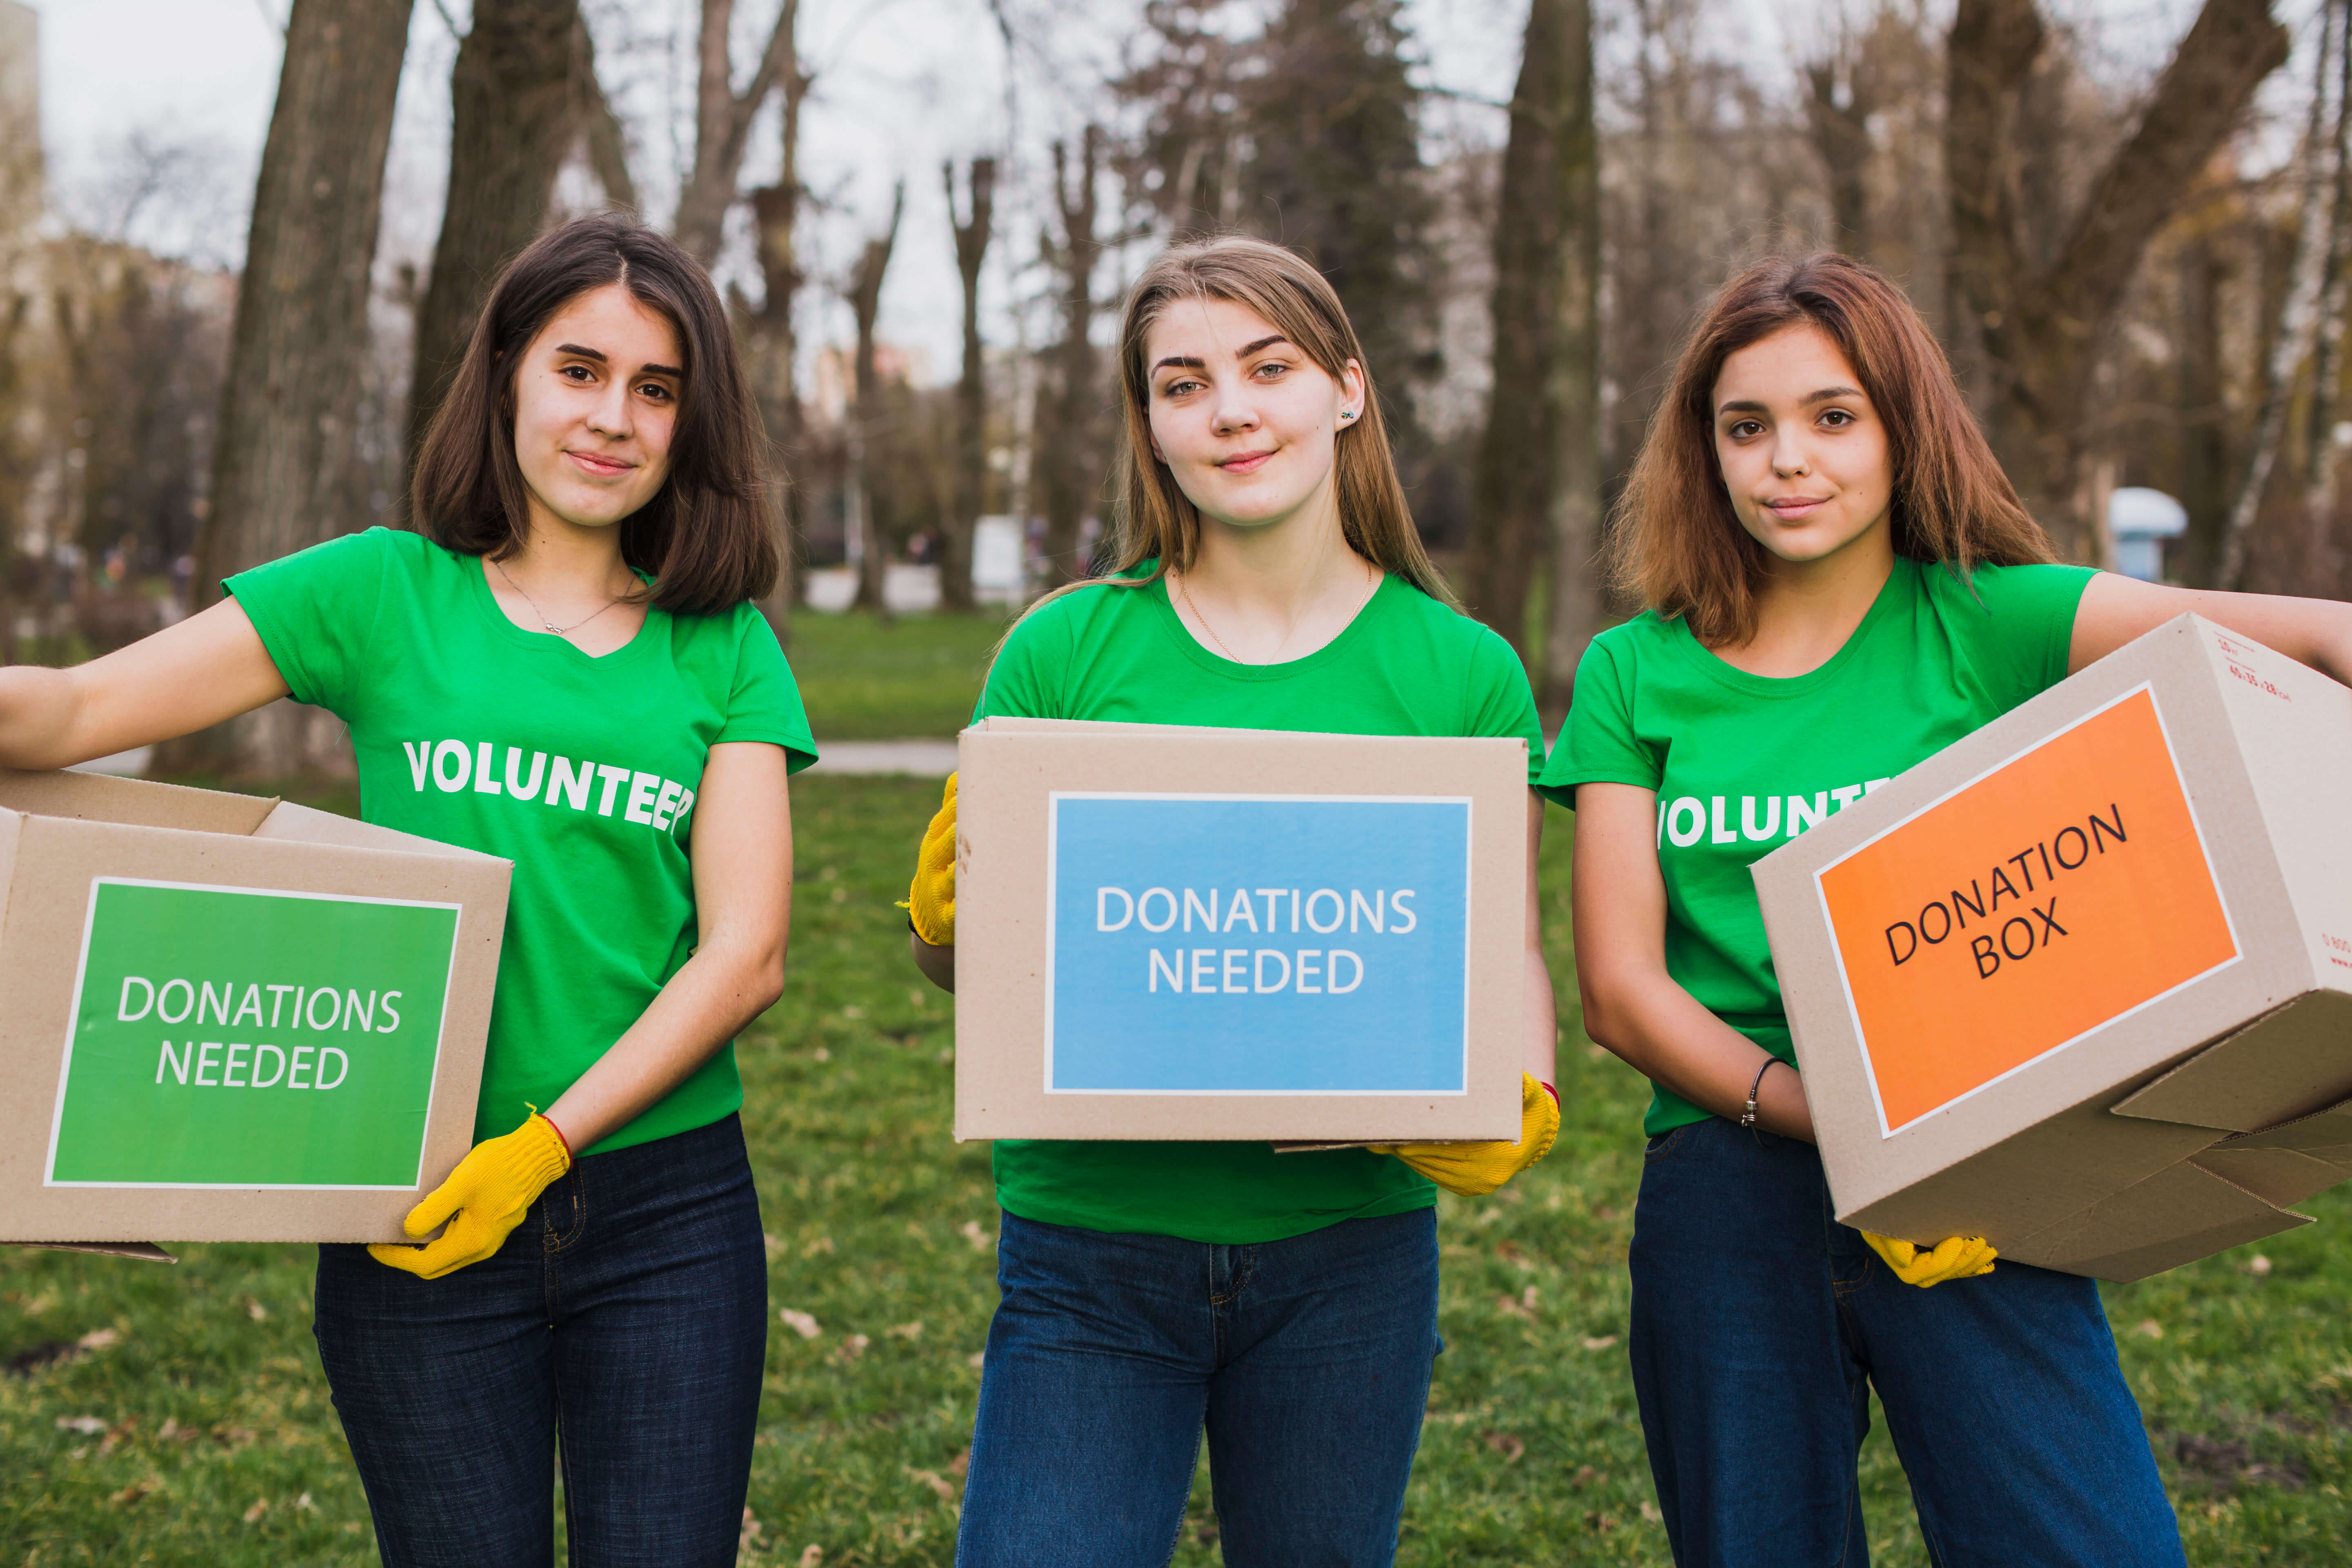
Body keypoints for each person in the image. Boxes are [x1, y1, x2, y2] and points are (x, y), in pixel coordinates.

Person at [0, 214, 811, 1566]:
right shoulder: (380, 592)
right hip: (408, 1206)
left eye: (656, 389)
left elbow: (747, 953)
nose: (613, 417)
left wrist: (543, 1151)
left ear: (690, 423)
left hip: (665, 1217)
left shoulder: (721, 646)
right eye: (580, 369)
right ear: (505, 377)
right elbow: (77, 705)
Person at [1553, 250, 2352, 1566]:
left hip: (1984, 1173)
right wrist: (1849, 1129)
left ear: (1900, 425)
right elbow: (1623, 990)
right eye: (1745, 427)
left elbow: (2319, 637)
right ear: (1704, 452)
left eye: (1832, 417)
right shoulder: (1638, 672)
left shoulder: (1995, 619)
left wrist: (1928, 1148)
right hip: (1733, 1172)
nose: (1786, 462)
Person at [903, 235, 1561, 1565]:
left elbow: (1503, 952)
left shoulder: (1462, 675)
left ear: (1347, 391)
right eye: (1184, 383)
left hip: (1349, 1265)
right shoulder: (1066, 649)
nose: (1232, 411)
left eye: (1269, 369)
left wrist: (1521, 1094)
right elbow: (976, 976)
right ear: (1150, 425)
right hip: (1092, 1251)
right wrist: (942, 926)